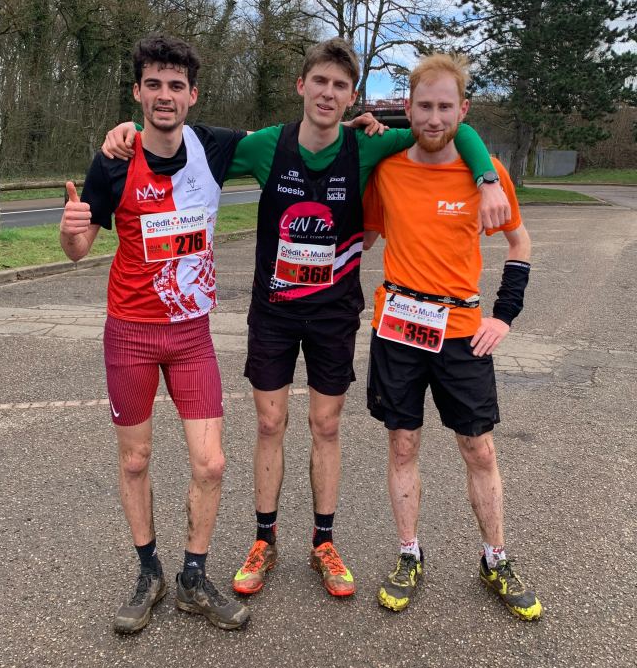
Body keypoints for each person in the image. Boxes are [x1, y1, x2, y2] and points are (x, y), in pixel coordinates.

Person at [102, 38, 510, 600]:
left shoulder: (368, 144)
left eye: (340, 86)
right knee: (270, 424)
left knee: (326, 425)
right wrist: (127, 130)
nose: (327, 93)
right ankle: (264, 539)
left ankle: (323, 542)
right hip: (273, 313)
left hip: (333, 314)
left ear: (352, 97)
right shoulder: (266, 145)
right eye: (319, 81)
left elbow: (449, 128)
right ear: (301, 85)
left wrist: (487, 176)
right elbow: (177, 137)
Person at [60, 34, 250, 634]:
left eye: (176, 85)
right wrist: (69, 228)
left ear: (193, 95)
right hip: (131, 333)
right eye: (153, 85)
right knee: (136, 459)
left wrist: (366, 126)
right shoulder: (113, 160)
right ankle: (149, 572)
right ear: (138, 92)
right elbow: (78, 249)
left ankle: (194, 577)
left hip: (191, 334)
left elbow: (301, 141)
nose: (164, 95)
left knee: (211, 463)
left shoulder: (215, 147)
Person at [363, 52, 542, 620]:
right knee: (402, 444)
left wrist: (504, 316)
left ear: (463, 110)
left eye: (445, 107)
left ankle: (495, 559)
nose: (434, 118)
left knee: (478, 449)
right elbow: (363, 237)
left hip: (462, 333)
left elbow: (520, 243)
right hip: (398, 330)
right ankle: (409, 553)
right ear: (407, 107)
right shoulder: (388, 169)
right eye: (424, 106)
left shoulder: (486, 172)